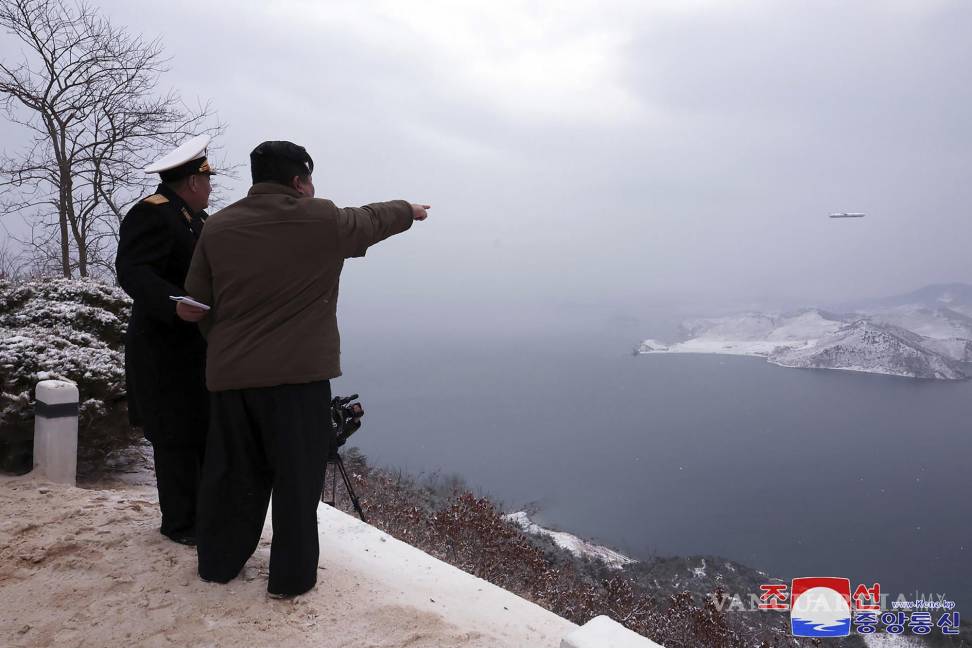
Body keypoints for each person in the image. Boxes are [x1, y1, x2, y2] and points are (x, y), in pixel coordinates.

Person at [184, 140, 429, 598]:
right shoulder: (321, 219)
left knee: (232, 475)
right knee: (296, 482)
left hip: (232, 378)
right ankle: (290, 579)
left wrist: (226, 346)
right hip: (298, 381)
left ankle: (218, 565)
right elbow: (372, 218)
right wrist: (408, 210)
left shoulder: (216, 227)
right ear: (299, 181)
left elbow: (197, 304)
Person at [115, 135, 215, 546]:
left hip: (194, 350)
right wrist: (173, 304)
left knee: (198, 431)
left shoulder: (196, 220)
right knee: (174, 436)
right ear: (192, 182)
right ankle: (180, 525)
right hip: (162, 349)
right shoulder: (151, 214)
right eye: (207, 180)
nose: (210, 188)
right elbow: (133, 271)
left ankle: (202, 517)